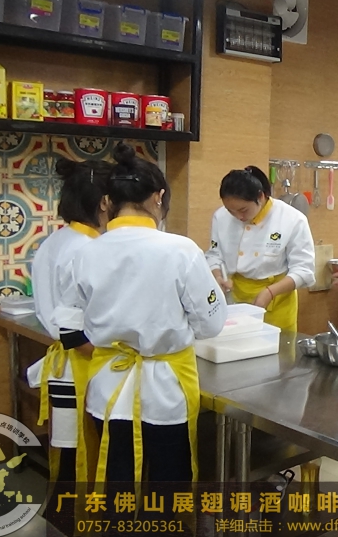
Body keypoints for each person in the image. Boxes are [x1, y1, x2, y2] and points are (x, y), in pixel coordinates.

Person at [54, 143, 226, 490]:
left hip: (107, 391)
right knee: (166, 486)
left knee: (116, 482)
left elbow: (69, 326)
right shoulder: (180, 250)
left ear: (107, 202)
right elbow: (211, 323)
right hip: (165, 393)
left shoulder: (84, 254)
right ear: (158, 197)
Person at [26, 159, 111, 486]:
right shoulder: (89, 249)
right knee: (88, 458)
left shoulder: (56, 241)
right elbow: (74, 327)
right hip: (85, 364)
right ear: (105, 202)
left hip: (66, 362)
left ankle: (66, 510)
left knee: (68, 454)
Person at [206, 166, 316, 333]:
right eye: (231, 211)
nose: (239, 217)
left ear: (261, 196)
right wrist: (218, 277)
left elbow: (304, 270)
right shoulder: (221, 217)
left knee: (275, 346)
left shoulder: (292, 219)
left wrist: (270, 293)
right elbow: (214, 254)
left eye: (243, 210)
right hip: (235, 299)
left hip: (277, 302)